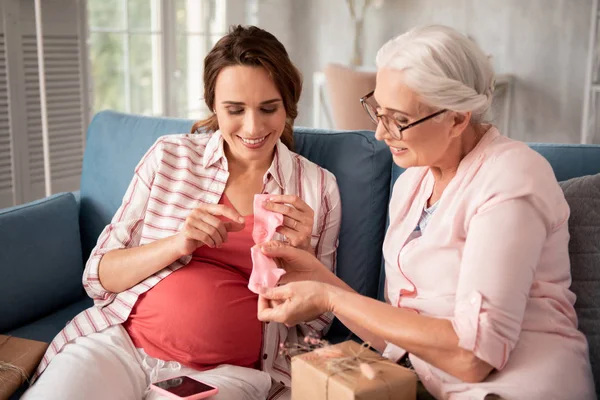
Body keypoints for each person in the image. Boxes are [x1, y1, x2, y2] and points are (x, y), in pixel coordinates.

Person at [256, 25, 596, 400]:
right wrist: (314, 274)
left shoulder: (513, 177)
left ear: (457, 118)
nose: (381, 134)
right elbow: (399, 336)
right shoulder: (413, 182)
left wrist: (330, 297)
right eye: (377, 111)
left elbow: (473, 357)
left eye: (399, 119)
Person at [23, 25, 341, 400]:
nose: (253, 127)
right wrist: (178, 242)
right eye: (235, 110)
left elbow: (316, 323)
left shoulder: (317, 188)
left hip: (227, 375)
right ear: (213, 106)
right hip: (119, 346)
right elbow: (98, 276)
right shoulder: (169, 157)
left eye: (268, 108)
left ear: (288, 104)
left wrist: (301, 260)